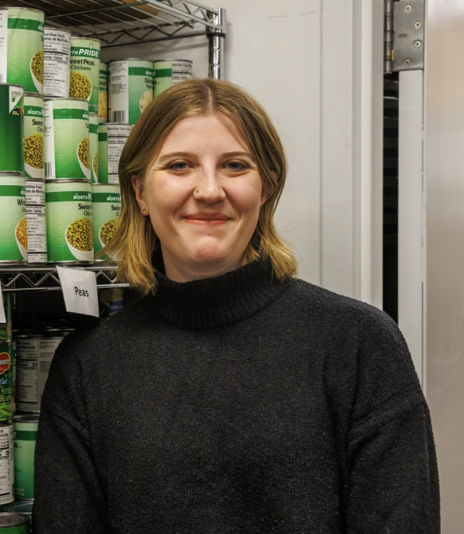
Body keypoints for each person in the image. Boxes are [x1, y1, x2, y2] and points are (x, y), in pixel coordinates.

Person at [33, 79, 439, 533]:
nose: (209, 190)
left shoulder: (359, 344)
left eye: (234, 165)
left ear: (265, 188)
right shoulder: (88, 364)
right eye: (180, 165)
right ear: (141, 192)